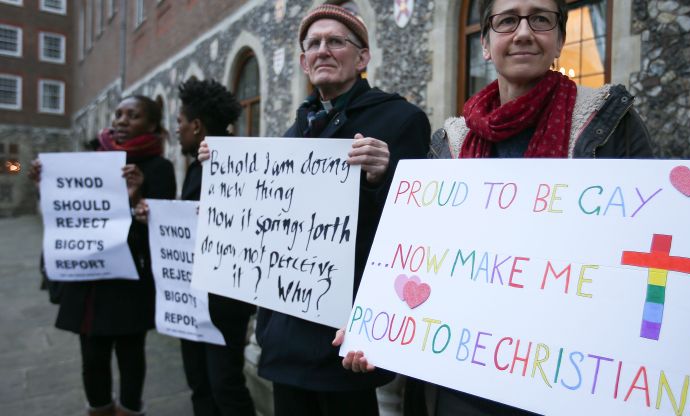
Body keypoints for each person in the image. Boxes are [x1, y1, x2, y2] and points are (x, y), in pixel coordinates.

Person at [336, 0, 690, 414]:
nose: (524, 32)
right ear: (486, 43)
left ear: (560, 40)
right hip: (460, 380)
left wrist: (668, 375)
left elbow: (654, 250)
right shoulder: (450, 142)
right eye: (508, 20)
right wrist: (376, 327)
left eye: (541, 19)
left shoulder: (609, 124)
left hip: (568, 381)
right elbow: (422, 252)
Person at [197, 3, 430, 414]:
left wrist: (386, 173)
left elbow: (414, 227)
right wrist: (221, 169)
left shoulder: (400, 119)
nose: (323, 50)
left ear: (362, 58)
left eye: (336, 41)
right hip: (285, 331)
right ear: (304, 63)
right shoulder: (293, 132)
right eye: (314, 44)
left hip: (343, 334)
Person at [30, 95, 176, 416]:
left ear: (151, 125)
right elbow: (69, 213)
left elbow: (162, 232)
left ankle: (129, 408)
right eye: (119, 114)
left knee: (130, 355)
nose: (121, 121)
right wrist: (48, 185)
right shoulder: (90, 160)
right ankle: (98, 408)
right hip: (89, 282)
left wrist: (137, 195)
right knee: (92, 358)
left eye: (133, 115)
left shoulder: (159, 168)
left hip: (129, 284)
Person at [134, 78, 256, 416]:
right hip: (194, 297)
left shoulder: (238, 163)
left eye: (180, 123)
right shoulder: (197, 165)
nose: (177, 131)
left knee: (224, 385)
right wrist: (155, 216)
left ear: (197, 126)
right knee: (200, 381)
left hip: (223, 304)